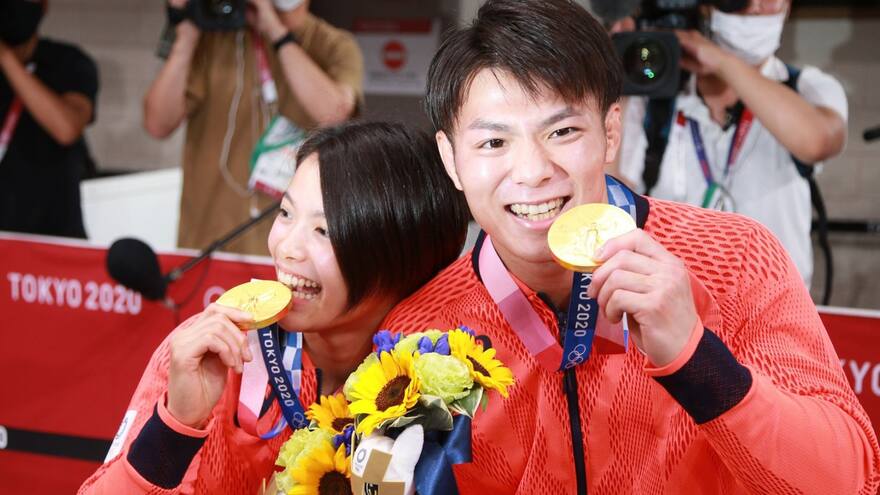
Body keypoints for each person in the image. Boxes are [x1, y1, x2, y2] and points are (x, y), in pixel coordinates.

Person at [381, 0, 879, 493]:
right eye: (494, 143)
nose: (532, 171)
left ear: (610, 132)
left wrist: (695, 357)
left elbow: (847, 480)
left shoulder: (736, 257)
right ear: (450, 160)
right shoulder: (417, 332)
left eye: (562, 131)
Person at [78, 121, 470, 493]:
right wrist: (176, 425)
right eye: (285, 213)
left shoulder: (449, 386)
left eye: (324, 230)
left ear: (402, 257)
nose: (285, 248)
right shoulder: (208, 352)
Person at [615, 0, 848, 287]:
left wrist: (721, 61)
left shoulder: (807, 87)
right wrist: (620, 71)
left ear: (788, 5)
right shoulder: (654, 102)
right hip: (678, 305)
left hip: (774, 309)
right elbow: (612, 194)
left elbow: (819, 141)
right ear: (707, 8)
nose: (756, 7)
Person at [143, 0, 363, 256]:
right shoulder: (216, 39)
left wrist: (275, 31)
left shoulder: (334, 44)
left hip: (295, 255)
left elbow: (334, 113)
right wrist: (187, 30)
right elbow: (157, 124)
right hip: (206, 248)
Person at [0, 0, 98, 238]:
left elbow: (66, 128)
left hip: (50, 239)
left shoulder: (69, 61)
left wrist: (5, 57)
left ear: (44, 5)